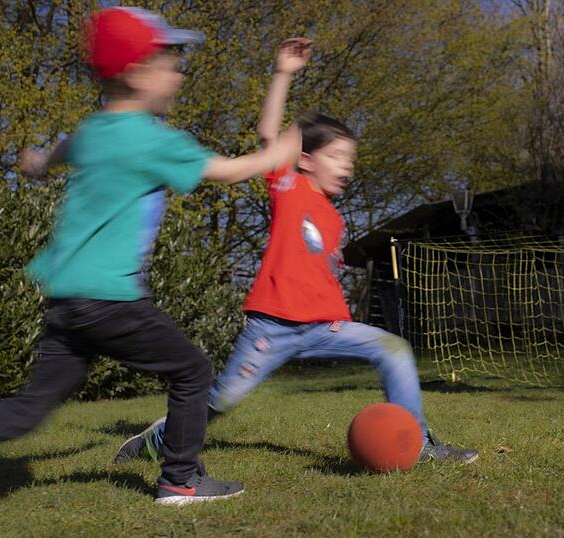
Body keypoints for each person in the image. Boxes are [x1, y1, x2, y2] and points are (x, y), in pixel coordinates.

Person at [0, 6, 300, 507]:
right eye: (169, 62)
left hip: (66, 300)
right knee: (192, 371)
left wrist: (40, 163)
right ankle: (179, 481)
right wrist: (279, 154)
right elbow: (233, 171)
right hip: (110, 298)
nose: (178, 74)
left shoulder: (93, 131)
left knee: (28, 409)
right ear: (136, 73)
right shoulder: (151, 139)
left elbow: (63, 148)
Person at [115, 37, 478, 467]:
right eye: (337, 155)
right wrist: (283, 73)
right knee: (222, 400)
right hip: (272, 328)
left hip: (327, 327)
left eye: (351, 159)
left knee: (393, 348)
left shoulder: (335, 218)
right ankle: (158, 439)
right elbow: (270, 134)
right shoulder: (289, 187)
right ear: (304, 159)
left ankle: (418, 444)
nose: (346, 165)